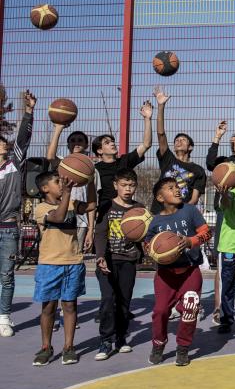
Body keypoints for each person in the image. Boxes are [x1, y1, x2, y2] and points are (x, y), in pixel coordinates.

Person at [144, 177, 212, 367]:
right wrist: (150, 249)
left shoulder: (190, 211)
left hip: (190, 271)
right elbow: (148, 243)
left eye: (177, 187)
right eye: (170, 188)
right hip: (166, 274)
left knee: (190, 309)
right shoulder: (155, 221)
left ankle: (183, 347)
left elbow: (207, 232)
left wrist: (191, 241)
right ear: (159, 197)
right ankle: (158, 343)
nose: (177, 190)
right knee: (160, 310)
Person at [31, 171, 86, 366]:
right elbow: (59, 216)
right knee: (48, 307)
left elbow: (92, 206)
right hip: (49, 264)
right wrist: (68, 194)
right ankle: (46, 347)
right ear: (45, 188)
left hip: (73, 261)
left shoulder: (71, 203)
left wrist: (89, 180)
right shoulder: (41, 208)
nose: (62, 183)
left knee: (70, 305)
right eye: (57, 181)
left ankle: (68, 346)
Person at [206, 120, 235, 325]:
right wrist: (217, 138)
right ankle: (223, 313)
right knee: (226, 277)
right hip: (230, 233)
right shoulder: (227, 167)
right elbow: (210, 163)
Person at [93, 169, 142, 360]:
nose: (128, 189)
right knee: (107, 300)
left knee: (124, 301)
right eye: (124, 185)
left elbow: (144, 234)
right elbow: (100, 233)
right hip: (108, 260)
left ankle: (121, 337)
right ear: (116, 185)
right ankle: (105, 340)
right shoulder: (107, 206)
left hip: (128, 259)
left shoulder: (139, 209)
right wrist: (100, 257)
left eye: (131, 185)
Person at [0, 90, 35, 338]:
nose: (3, 143)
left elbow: (22, 140)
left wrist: (29, 112)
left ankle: (4, 317)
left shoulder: (14, 163)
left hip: (9, 228)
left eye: (4, 141)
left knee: (7, 275)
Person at [93, 100, 153, 217]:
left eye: (112, 141)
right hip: (105, 213)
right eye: (107, 143)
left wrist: (147, 119)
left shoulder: (125, 161)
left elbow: (146, 144)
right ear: (99, 150)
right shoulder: (95, 169)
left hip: (126, 212)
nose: (112, 144)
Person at [151, 86, 206, 212]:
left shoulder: (198, 170)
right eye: (176, 140)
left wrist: (183, 213)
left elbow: (194, 199)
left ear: (190, 147)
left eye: (183, 140)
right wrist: (161, 106)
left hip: (181, 214)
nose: (178, 141)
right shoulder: (168, 159)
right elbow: (160, 134)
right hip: (159, 211)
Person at [46, 125, 96, 258]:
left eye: (80, 140)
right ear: (68, 144)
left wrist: (91, 230)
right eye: (73, 140)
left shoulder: (92, 169)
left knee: (75, 257)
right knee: (57, 255)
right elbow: (50, 156)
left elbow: (91, 205)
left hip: (80, 219)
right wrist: (58, 128)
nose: (76, 142)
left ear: (86, 144)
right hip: (61, 215)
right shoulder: (63, 163)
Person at [214, 160, 235, 334]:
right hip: (229, 243)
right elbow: (225, 205)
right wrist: (224, 194)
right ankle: (226, 319)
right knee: (228, 283)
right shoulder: (228, 191)